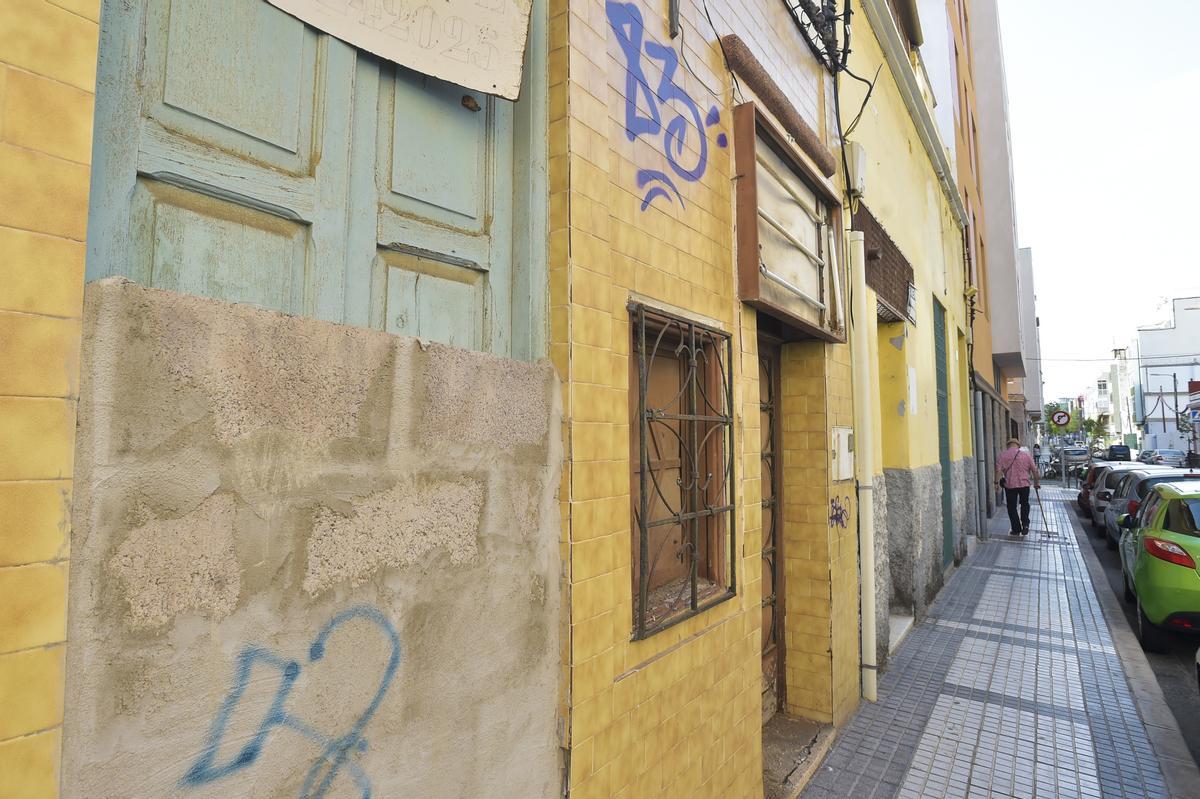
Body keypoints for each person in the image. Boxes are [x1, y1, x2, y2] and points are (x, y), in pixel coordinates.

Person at [996, 437, 1040, 536]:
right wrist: (1036, 483)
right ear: (1018, 446)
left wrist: (996, 483)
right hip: (1024, 484)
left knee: (1012, 507)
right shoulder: (1026, 455)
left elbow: (998, 471)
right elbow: (1034, 470)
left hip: (1010, 485)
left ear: (1008, 446)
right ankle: (1025, 524)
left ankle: (1016, 529)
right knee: (1024, 504)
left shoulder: (1002, 455)